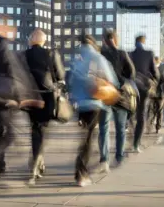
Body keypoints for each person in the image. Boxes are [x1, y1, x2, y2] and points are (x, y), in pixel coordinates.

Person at [0, 20, 43, 195]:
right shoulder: (3, 46)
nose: (12, 31)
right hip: (1, 101)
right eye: (9, 28)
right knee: (8, 135)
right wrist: (24, 98)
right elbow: (14, 72)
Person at [70, 34, 118, 187]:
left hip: (80, 104)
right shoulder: (98, 58)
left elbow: (70, 82)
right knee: (88, 138)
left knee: (85, 135)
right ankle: (81, 173)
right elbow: (112, 80)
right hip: (94, 102)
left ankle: (81, 169)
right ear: (92, 43)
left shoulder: (77, 60)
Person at [24, 29, 65, 185]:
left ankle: (37, 161)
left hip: (29, 96)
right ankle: (37, 162)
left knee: (35, 128)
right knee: (41, 129)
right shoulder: (51, 54)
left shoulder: (24, 55)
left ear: (31, 40)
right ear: (43, 41)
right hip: (46, 96)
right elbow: (60, 76)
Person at [98, 29, 135, 172]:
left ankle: (104, 159)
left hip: (104, 95)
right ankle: (119, 157)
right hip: (120, 95)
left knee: (104, 128)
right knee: (120, 129)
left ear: (104, 40)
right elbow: (131, 73)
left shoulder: (100, 54)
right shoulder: (122, 53)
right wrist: (120, 79)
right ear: (115, 39)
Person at [129, 35, 159, 153]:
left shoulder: (129, 54)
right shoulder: (149, 54)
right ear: (143, 42)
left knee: (130, 112)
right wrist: (155, 80)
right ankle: (136, 144)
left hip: (132, 87)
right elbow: (154, 71)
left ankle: (131, 129)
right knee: (141, 115)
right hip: (144, 88)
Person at [152, 56, 164, 133]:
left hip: (152, 93)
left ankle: (153, 121)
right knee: (159, 110)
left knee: (152, 109)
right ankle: (158, 127)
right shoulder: (163, 69)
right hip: (160, 93)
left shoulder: (150, 69)